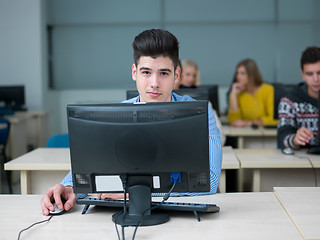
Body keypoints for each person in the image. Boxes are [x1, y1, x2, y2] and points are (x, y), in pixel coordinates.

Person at [41, 29, 223, 216]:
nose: (154, 83)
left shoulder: (200, 113)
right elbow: (88, 168)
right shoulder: (118, 115)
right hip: (127, 214)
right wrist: (68, 187)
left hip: (186, 217)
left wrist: (133, 192)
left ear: (176, 75)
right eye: (146, 72)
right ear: (134, 72)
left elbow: (211, 180)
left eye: (163, 73)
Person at [277, 46, 320, 150]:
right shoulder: (289, 102)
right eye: (309, 74)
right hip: (304, 161)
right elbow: (283, 137)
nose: (316, 79)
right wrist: (294, 139)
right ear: (303, 75)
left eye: (319, 73)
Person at [227, 58, 278, 127]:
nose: (238, 76)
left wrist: (248, 123)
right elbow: (234, 121)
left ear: (252, 75)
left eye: (242, 73)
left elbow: (274, 119)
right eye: (237, 73)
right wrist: (233, 95)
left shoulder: (268, 90)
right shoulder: (236, 92)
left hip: (265, 134)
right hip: (244, 134)